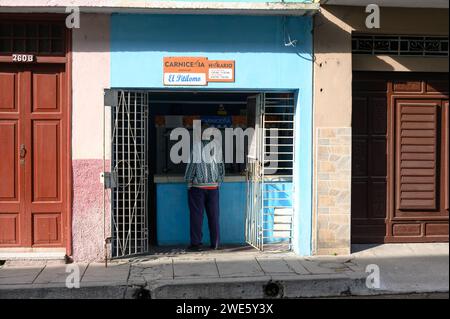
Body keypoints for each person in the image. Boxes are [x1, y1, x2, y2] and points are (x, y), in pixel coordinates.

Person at [184, 136, 225, 251]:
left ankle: (196, 244)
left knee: (197, 216)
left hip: (198, 188)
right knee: (214, 216)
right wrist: (218, 181)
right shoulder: (216, 148)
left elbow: (192, 166)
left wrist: (188, 181)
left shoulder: (197, 147)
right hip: (213, 188)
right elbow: (221, 167)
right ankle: (216, 243)